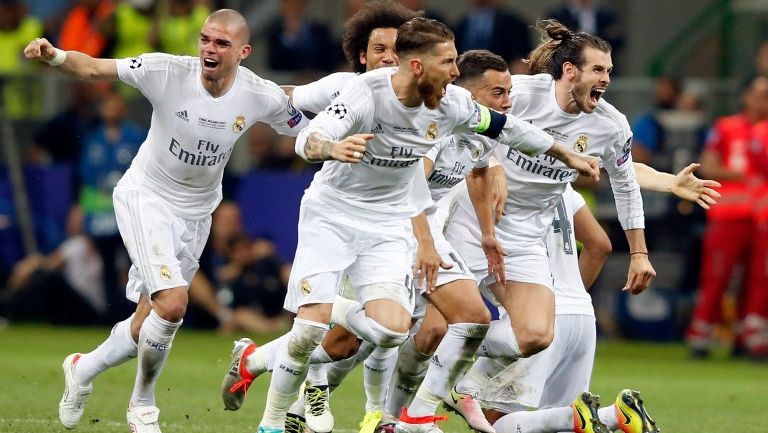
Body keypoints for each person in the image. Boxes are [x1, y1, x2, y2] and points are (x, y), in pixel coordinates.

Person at [251, 17, 597, 433]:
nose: (454, 71)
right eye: (448, 62)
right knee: (312, 331)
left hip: (390, 224)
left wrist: (566, 155)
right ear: (417, 66)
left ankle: (396, 405)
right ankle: (274, 417)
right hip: (335, 213)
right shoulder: (366, 92)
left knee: (389, 330)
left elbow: (510, 131)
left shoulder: (451, 105)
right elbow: (307, 140)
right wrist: (332, 146)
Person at [23, 8, 308, 432]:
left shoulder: (258, 94)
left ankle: (82, 370)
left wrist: (341, 139)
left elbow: (302, 131)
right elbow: (94, 68)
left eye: (222, 43)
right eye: (206, 39)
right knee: (173, 303)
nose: (209, 49)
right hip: (146, 197)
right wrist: (56, 56)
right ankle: (142, 406)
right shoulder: (167, 71)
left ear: (243, 51)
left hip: (197, 212)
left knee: (147, 323)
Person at [440, 19, 656, 432]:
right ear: (569, 71)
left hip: (525, 236)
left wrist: (640, 252)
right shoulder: (520, 94)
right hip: (470, 220)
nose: (606, 79)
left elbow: (627, 185)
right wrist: (492, 163)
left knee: (536, 333)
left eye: (609, 71)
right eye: (598, 70)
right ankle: (401, 409)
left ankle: (453, 371)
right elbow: (466, 116)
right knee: (432, 321)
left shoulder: (610, 125)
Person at [685, 76, 768, 359]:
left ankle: (750, 338)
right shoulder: (726, 127)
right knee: (717, 275)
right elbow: (708, 165)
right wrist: (746, 175)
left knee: (760, 279)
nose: (762, 100)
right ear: (745, 96)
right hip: (729, 214)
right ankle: (701, 335)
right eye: (758, 94)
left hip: (763, 218)